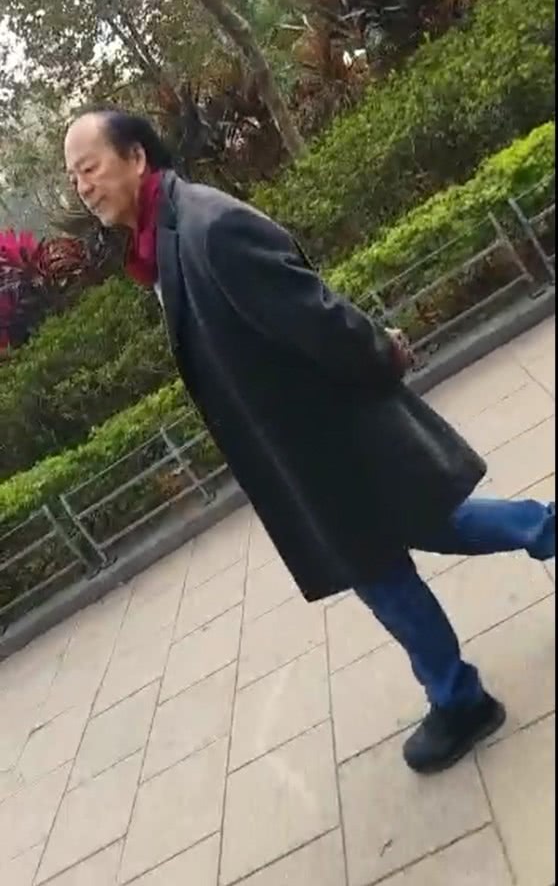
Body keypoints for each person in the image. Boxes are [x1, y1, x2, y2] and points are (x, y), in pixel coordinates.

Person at [64, 109, 555, 775]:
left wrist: (382, 353)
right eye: (74, 177)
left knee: (383, 570)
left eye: (89, 167)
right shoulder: (166, 239)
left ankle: (459, 700)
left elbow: (315, 315)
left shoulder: (207, 227)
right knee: (428, 532)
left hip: (332, 443)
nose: (82, 187)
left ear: (136, 157)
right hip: (311, 448)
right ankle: (532, 555)